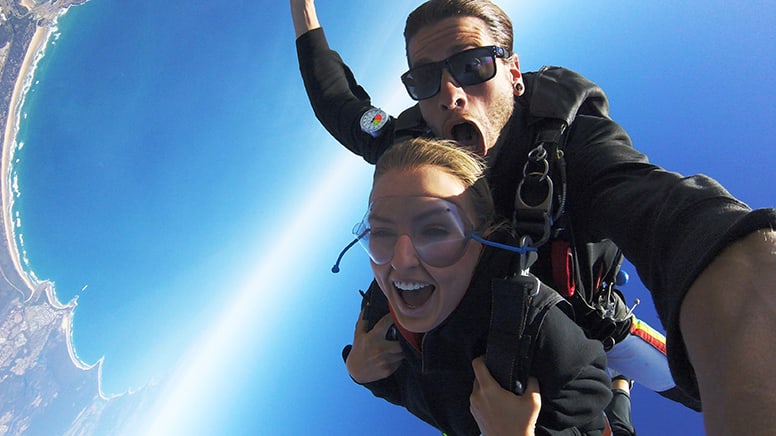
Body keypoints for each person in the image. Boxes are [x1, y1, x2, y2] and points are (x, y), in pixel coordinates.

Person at [292, 1, 776, 434]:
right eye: (425, 79)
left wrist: (742, 263)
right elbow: (340, 105)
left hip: (593, 324)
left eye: (474, 64)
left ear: (514, 72)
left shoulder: (568, 143)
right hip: (516, 343)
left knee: (701, 382)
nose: (451, 93)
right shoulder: (410, 143)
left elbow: (670, 214)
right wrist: (302, 9)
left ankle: (623, 384)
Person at [347, 136, 613, 435]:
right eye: (382, 232)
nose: (401, 260)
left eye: (435, 229)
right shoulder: (378, 313)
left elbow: (590, 401)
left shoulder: (532, 330)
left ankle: (623, 392)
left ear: (484, 241)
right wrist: (360, 372)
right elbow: (412, 389)